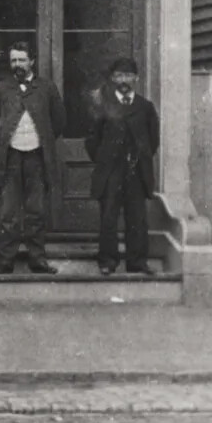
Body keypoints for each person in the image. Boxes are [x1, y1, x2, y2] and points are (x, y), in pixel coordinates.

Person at [0, 40, 65, 275]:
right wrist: (1, 143)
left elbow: (58, 122)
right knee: (9, 213)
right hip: (10, 159)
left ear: (32, 62)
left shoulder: (47, 89)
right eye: (13, 60)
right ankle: (5, 260)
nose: (17, 64)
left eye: (21, 60)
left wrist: (41, 142)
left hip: (37, 159)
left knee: (36, 211)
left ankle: (37, 260)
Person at [85, 56, 161, 275]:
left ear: (136, 78)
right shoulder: (104, 106)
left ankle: (137, 262)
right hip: (111, 172)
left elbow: (152, 140)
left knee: (137, 217)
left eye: (128, 75)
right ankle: (108, 261)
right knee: (108, 216)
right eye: (119, 75)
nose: (124, 80)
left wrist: (140, 158)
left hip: (136, 172)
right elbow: (92, 140)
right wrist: (104, 160)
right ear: (112, 78)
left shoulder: (145, 107)